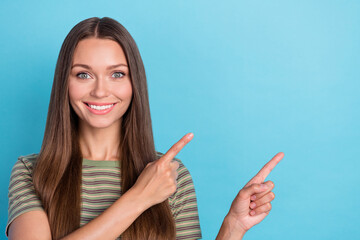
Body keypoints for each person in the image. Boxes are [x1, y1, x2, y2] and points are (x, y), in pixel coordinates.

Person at [6, 17, 284, 240]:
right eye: (83, 74)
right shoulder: (32, 172)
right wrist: (140, 197)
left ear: (134, 83)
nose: (101, 91)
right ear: (64, 84)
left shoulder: (170, 176)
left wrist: (233, 227)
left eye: (117, 74)